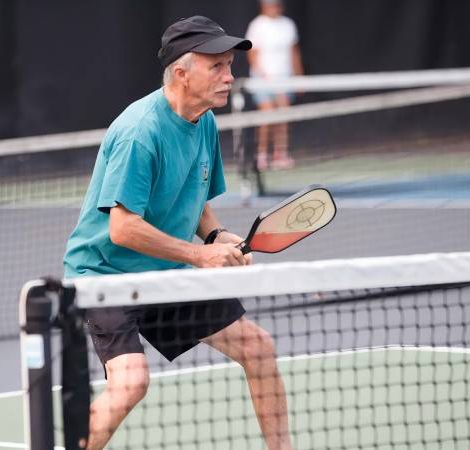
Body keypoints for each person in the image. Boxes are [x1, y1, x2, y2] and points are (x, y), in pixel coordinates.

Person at [63, 16, 293, 450]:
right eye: (217, 67)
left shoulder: (202, 119)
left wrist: (215, 236)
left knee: (258, 349)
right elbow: (123, 227)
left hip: (166, 270)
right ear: (182, 73)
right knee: (130, 384)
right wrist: (200, 256)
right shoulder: (140, 133)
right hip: (108, 276)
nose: (229, 77)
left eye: (229, 65)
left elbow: (195, 191)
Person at [245, 0, 304, 171]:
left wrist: (299, 78)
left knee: (284, 115)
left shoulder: (288, 25)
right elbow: (252, 55)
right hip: (262, 80)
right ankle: (262, 154)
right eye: (270, 5)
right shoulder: (257, 25)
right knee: (268, 114)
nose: (274, 8)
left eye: (277, 4)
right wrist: (266, 78)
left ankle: (281, 153)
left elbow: (294, 53)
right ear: (263, 7)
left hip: (284, 79)